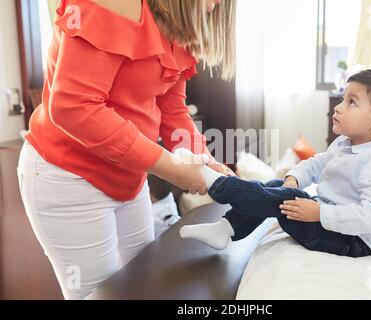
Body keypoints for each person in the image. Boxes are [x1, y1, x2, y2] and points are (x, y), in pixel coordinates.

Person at [17, 0, 235, 299]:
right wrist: (172, 168)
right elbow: (73, 107)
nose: (220, 2)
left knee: (144, 285)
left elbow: (172, 110)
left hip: (128, 178)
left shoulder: (180, 23)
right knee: (98, 294)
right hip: (69, 175)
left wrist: (205, 162)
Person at [180, 69, 371, 258]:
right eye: (343, 98)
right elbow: (318, 163)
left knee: (285, 199)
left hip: (353, 240)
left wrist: (320, 213)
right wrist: (294, 177)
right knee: (277, 186)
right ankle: (225, 229)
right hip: (328, 214)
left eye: (351, 102)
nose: (338, 106)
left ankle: (219, 186)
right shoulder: (347, 143)